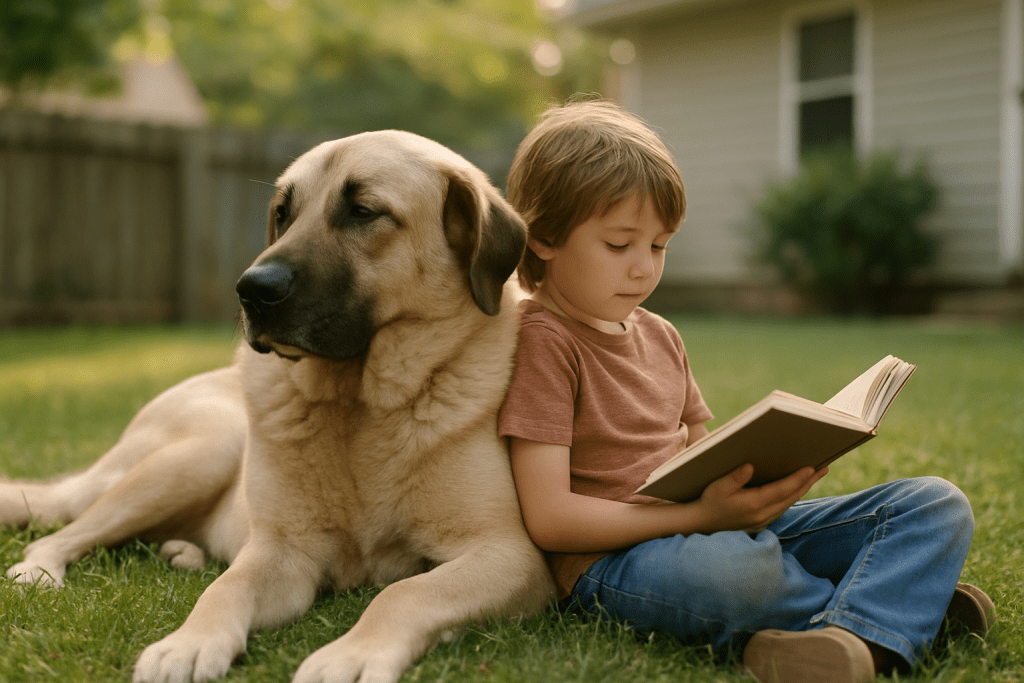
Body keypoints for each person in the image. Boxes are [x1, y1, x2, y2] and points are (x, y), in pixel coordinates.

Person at [497, 99, 994, 683]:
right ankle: (893, 617)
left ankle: (858, 632)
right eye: (618, 245)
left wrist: (752, 488)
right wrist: (701, 519)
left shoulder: (661, 334)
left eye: (658, 246)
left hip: (711, 526)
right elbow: (550, 519)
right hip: (616, 561)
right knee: (738, 573)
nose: (643, 269)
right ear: (544, 237)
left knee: (934, 504)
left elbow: (698, 453)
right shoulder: (542, 341)